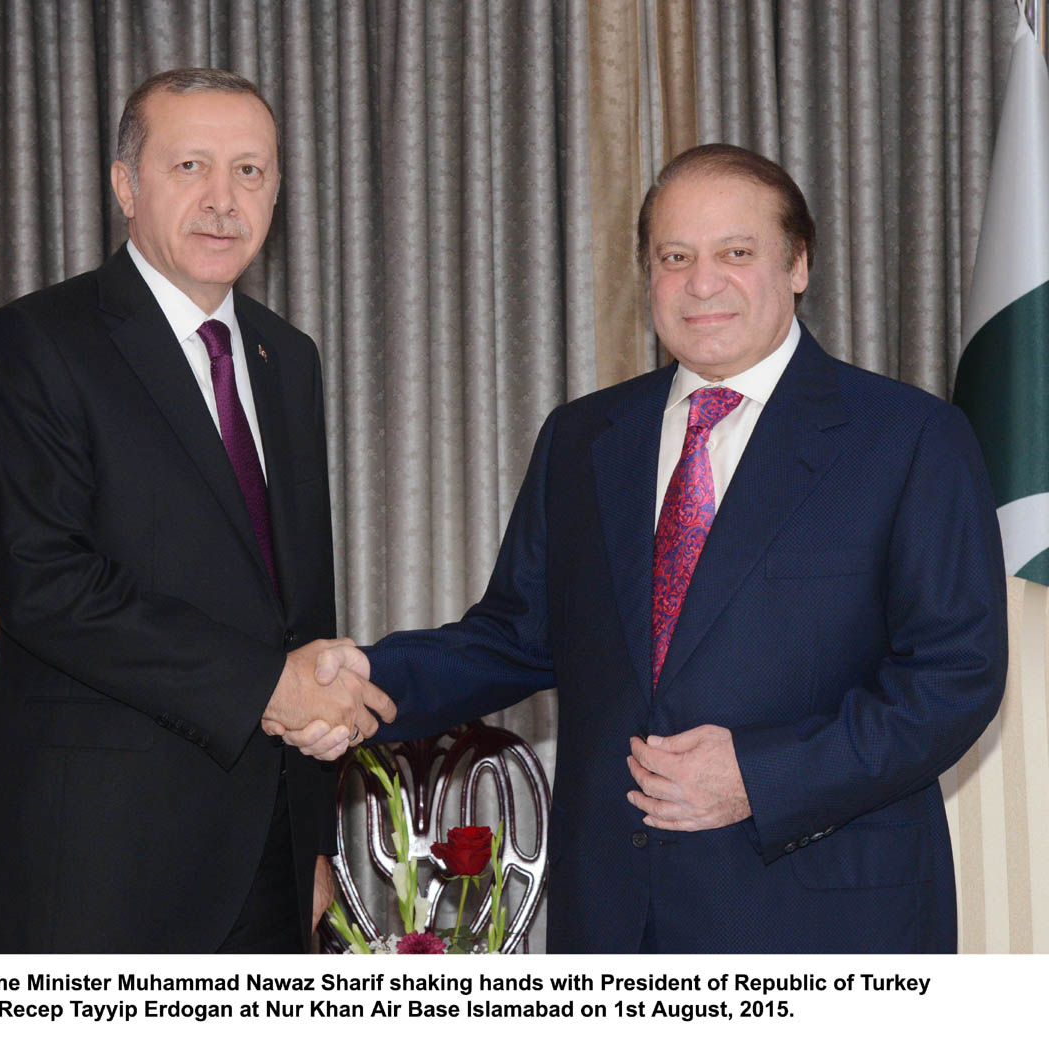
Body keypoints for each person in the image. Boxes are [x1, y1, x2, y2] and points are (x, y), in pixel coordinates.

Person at [277, 144, 1008, 953]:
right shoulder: (586, 437)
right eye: (675, 256)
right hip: (616, 922)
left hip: (824, 919)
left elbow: (955, 675)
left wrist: (760, 779)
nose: (703, 282)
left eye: (736, 252)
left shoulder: (908, 437)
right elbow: (514, 637)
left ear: (799, 263)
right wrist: (367, 680)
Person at [0, 67, 393, 953]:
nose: (223, 200)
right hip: (100, 862)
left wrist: (313, 842)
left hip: (269, 862)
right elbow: (47, 583)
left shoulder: (289, 356)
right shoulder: (36, 341)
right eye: (190, 166)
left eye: (251, 171)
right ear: (126, 185)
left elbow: (302, 606)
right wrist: (263, 686)